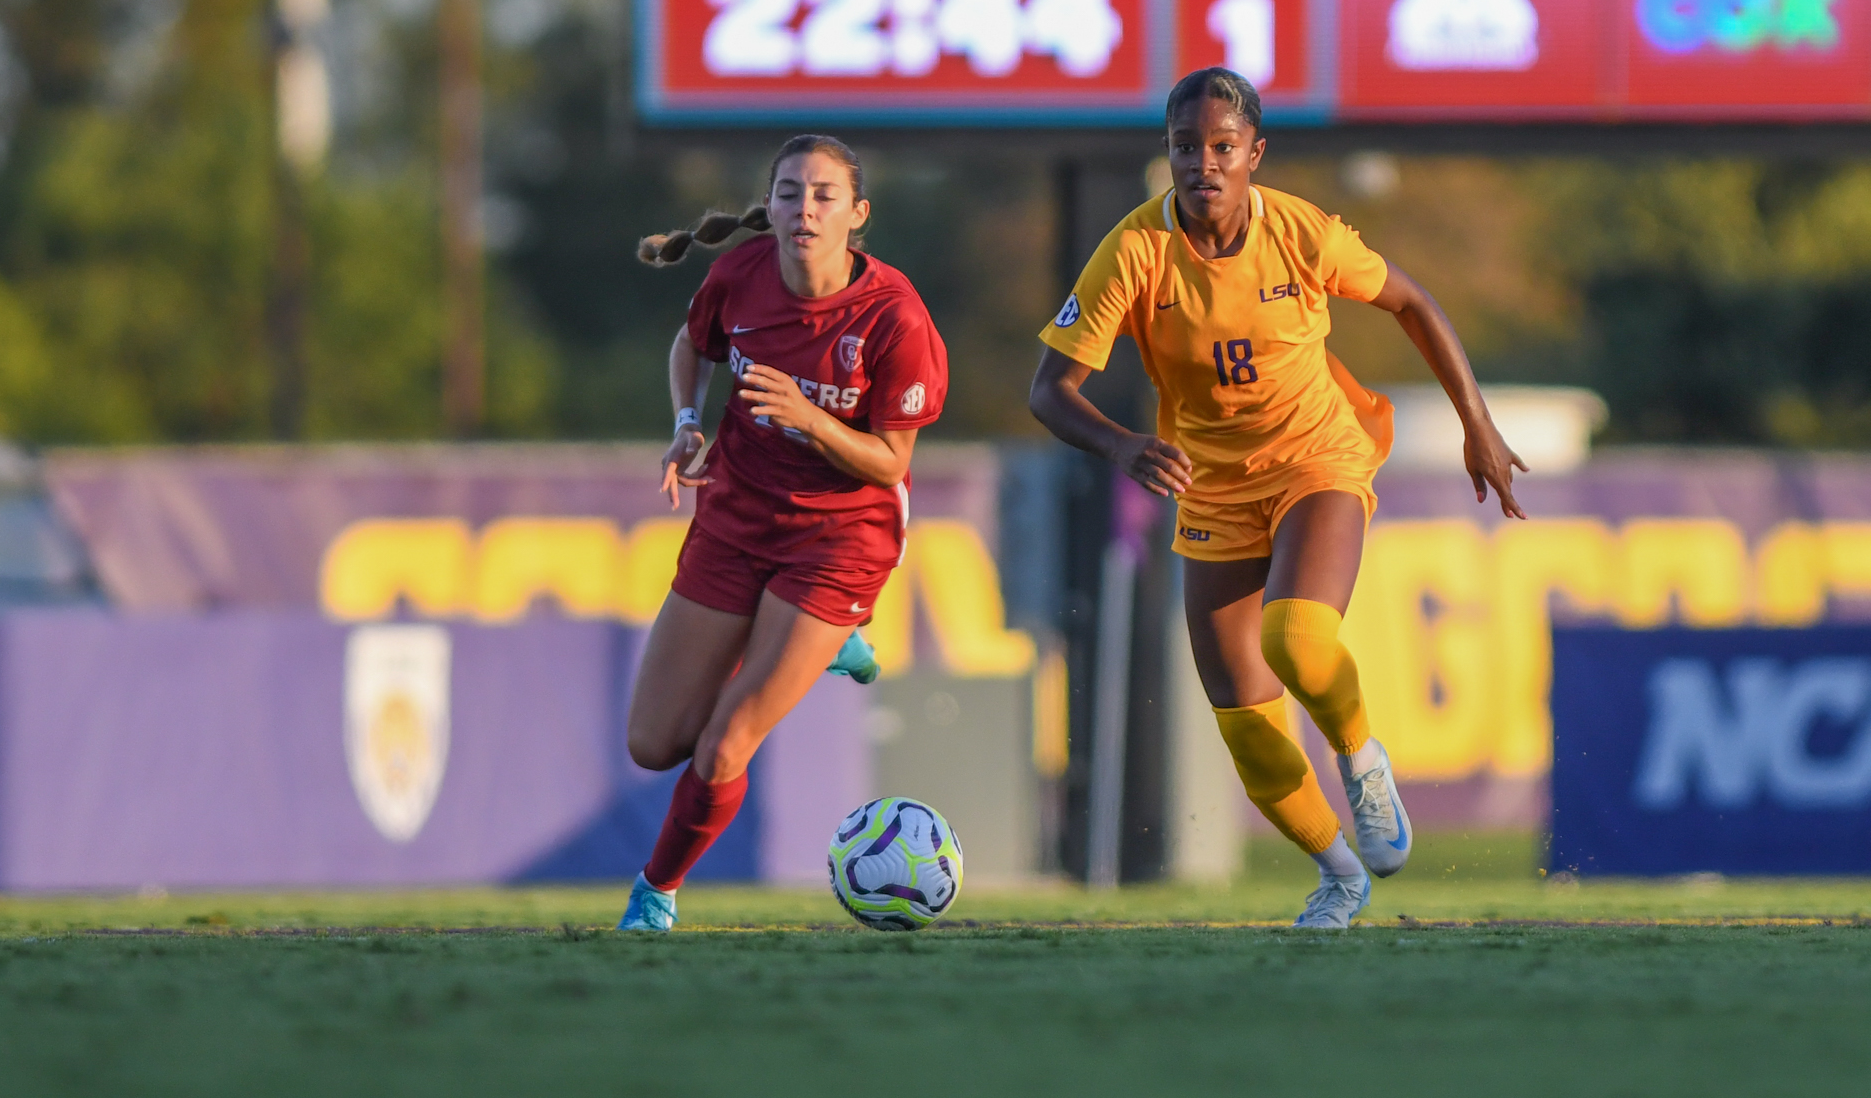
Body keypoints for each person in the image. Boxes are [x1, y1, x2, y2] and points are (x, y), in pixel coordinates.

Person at [1029, 68, 1527, 929]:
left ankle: (1363, 760)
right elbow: (1049, 388)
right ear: (1170, 154)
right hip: (1211, 486)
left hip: (1317, 458)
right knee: (1246, 722)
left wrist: (1474, 421)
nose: (1204, 165)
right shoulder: (1136, 250)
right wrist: (1122, 445)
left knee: (1297, 636)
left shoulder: (1300, 232)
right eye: (1187, 147)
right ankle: (1338, 876)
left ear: (1255, 155)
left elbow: (1411, 300)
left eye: (1223, 148)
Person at [618, 134, 947, 932]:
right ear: (768, 207)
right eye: (790, 191)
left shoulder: (894, 316)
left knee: (727, 742)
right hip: (736, 516)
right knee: (654, 743)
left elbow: (888, 461)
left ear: (856, 214)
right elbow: (690, 347)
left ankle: (655, 892)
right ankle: (813, 640)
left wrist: (808, 419)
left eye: (824, 194)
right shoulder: (738, 275)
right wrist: (688, 422)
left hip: (840, 539)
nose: (805, 208)